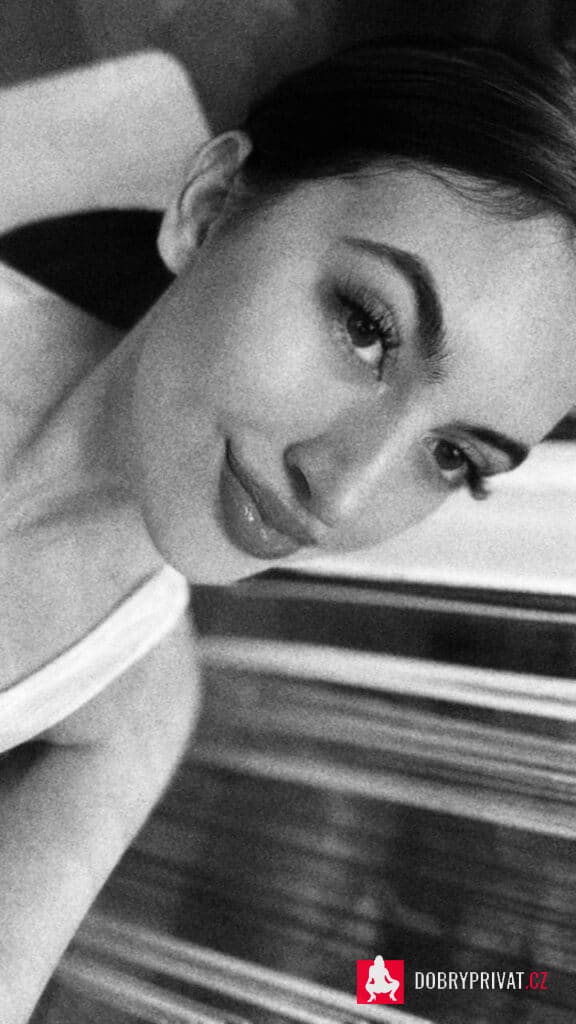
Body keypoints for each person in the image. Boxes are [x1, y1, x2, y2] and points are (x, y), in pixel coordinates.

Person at [2, 32, 576, 1024]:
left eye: (453, 456)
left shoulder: (134, 707)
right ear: (210, 208)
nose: (343, 494)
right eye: (367, 328)